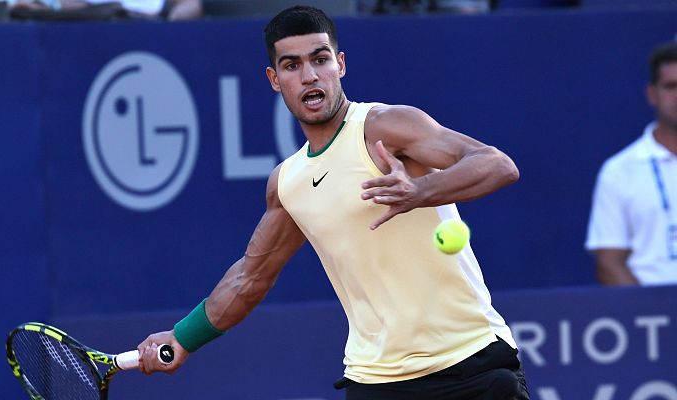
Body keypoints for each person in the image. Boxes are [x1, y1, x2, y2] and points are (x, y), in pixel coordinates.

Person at [137, 5, 529, 399]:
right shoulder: (288, 184)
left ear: (339, 65)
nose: (309, 75)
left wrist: (421, 193)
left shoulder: (385, 127)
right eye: (292, 66)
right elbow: (249, 279)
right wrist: (183, 338)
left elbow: (497, 164)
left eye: (320, 59)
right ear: (274, 79)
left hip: (471, 365)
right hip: (376, 382)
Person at [586, 41, 677, 286]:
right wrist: (652, 316)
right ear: (652, 94)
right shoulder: (618, 171)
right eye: (671, 86)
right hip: (655, 316)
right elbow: (609, 263)